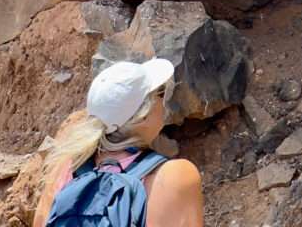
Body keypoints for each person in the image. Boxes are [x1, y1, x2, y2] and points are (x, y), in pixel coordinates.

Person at [33, 58, 204, 227]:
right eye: (160, 93)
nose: (164, 101)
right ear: (143, 116)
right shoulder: (175, 176)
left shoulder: (65, 170)